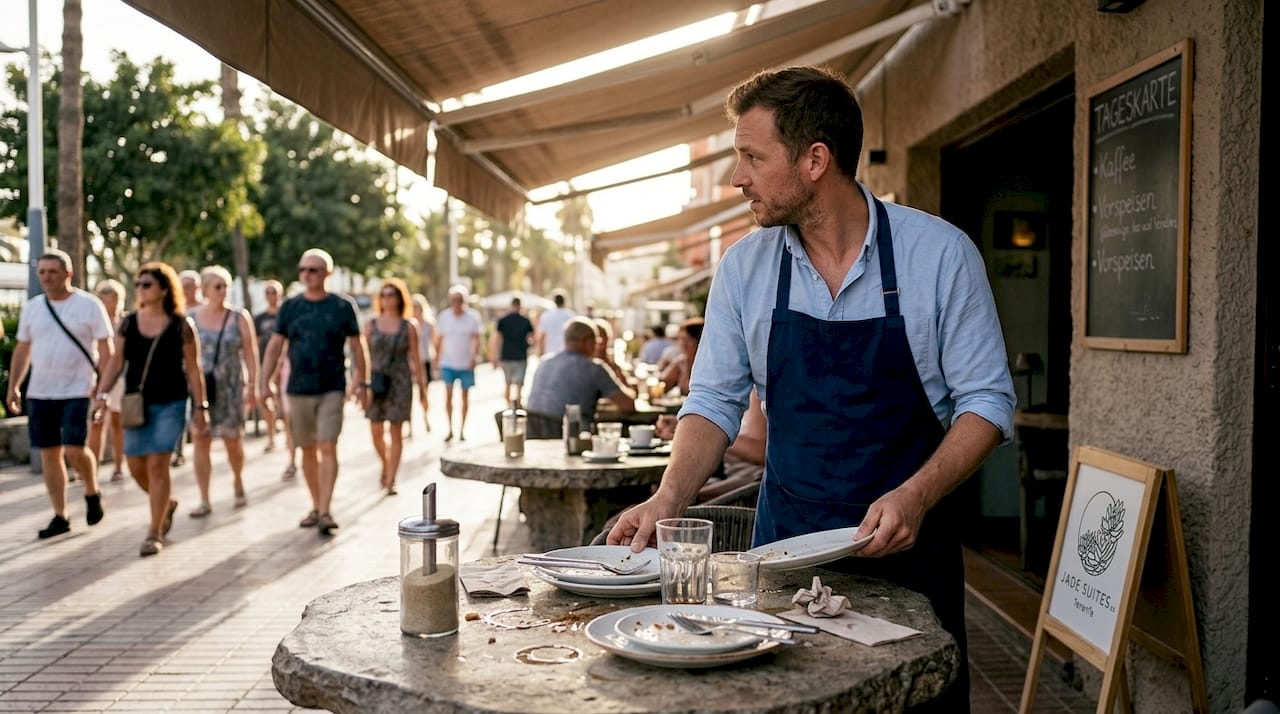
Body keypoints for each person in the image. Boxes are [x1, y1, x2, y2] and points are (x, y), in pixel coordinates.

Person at [607, 65, 1016, 711]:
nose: (736, 177)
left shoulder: (938, 254)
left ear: (815, 160)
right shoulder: (745, 265)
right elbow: (713, 400)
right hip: (783, 559)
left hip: (909, 557)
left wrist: (915, 495)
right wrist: (668, 497)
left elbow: (987, 402)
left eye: (751, 156)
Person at [95, 262, 210, 557]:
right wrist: (101, 394)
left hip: (171, 402)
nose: (141, 289)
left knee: (158, 464)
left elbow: (194, 369)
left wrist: (201, 407)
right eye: (139, 284)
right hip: (136, 402)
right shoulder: (129, 323)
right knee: (135, 465)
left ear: (163, 289)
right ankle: (166, 503)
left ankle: (154, 532)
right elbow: (116, 362)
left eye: (147, 284)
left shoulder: (181, 325)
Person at [260, 248, 368, 536]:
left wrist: (362, 380)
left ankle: (326, 509)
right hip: (298, 389)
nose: (307, 275)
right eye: (303, 270)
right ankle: (316, 505)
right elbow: (275, 346)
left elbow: (358, 346)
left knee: (327, 445)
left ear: (327, 274)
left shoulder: (342, 306)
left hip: (332, 386)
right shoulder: (291, 307)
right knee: (305, 448)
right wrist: (264, 381)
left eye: (314, 270)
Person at [6, 250, 113, 540]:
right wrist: (14, 385)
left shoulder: (89, 306)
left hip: (79, 389)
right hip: (41, 391)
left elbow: (106, 349)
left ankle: (91, 490)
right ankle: (60, 515)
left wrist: (103, 388)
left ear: (68, 273)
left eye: (53, 271)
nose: (46, 278)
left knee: (74, 449)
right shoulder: (33, 308)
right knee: (49, 454)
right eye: (42, 272)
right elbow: (23, 349)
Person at [188, 266, 258, 518]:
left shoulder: (239, 317)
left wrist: (253, 385)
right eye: (217, 286)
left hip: (230, 388)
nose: (222, 291)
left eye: (225, 286)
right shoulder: (191, 317)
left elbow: (250, 352)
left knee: (232, 440)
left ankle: (238, 480)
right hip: (201, 389)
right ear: (205, 289)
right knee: (201, 440)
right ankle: (204, 498)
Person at [365, 278, 427, 495]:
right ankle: (385, 462)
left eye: (392, 294)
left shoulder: (409, 326)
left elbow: (417, 360)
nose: (387, 299)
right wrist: (360, 385)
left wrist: (423, 389)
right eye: (384, 294)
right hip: (376, 382)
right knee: (375, 431)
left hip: (400, 383)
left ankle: (391, 479)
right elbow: (362, 358)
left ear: (400, 298)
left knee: (396, 431)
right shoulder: (370, 325)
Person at [525, 317, 636, 430]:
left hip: (533, 434)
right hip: (570, 437)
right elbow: (628, 405)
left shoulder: (544, 362)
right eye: (595, 342)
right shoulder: (593, 368)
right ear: (588, 342)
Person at [88, 278, 127, 484]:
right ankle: (91, 469)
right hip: (99, 379)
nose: (107, 303)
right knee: (97, 423)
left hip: (121, 379)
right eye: (103, 299)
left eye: (111, 299)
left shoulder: (126, 322)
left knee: (118, 424)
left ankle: (119, 467)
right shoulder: (94, 323)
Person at [433, 285, 482, 442]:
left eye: (459, 300)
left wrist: (474, 357)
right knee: (448, 395)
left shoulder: (473, 317)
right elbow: (439, 340)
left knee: (465, 396)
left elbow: (476, 339)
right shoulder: (444, 317)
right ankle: (449, 428)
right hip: (448, 362)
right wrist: (436, 360)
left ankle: (462, 429)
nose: (457, 302)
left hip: (466, 363)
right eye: (454, 299)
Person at [171, 270, 204, 468]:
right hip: (179, 372)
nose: (186, 290)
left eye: (190, 286)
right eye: (183, 286)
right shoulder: (175, 312)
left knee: (198, 409)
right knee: (181, 411)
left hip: (203, 369)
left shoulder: (204, 310)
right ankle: (178, 450)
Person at [253, 280, 284, 452]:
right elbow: (255, 344)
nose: (272, 295)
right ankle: (271, 436)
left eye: (275, 291)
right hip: (265, 364)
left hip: (285, 364)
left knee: (284, 401)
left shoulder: (285, 314)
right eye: (268, 292)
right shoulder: (259, 318)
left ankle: (288, 436)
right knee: (265, 400)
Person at [489, 297, 534, 396]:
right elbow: (531, 338)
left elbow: (497, 339)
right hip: (520, 356)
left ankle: (509, 406)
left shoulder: (503, 320)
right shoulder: (525, 321)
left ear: (511, 305)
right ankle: (517, 405)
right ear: (520, 306)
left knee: (507, 383)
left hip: (506, 355)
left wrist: (494, 355)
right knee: (519, 385)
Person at [658, 317, 704, 396]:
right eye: (681, 339)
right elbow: (663, 384)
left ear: (700, 342)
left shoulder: (708, 366)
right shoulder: (682, 361)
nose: (683, 344)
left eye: (687, 340)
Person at [411, 294, 437, 432]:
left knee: (424, 392)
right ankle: (409, 426)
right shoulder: (407, 324)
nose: (415, 309)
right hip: (409, 363)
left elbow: (434, 343)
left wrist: (435, 363)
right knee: (408, 394)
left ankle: (426, 418)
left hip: (424, 361)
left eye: (417, 306)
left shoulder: (429, 324)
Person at [534, 289, 574, 356]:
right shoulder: (571, 315)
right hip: (567, 352)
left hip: (550, 352)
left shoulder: (546, 315)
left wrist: (540, 352)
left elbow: (541, 335)